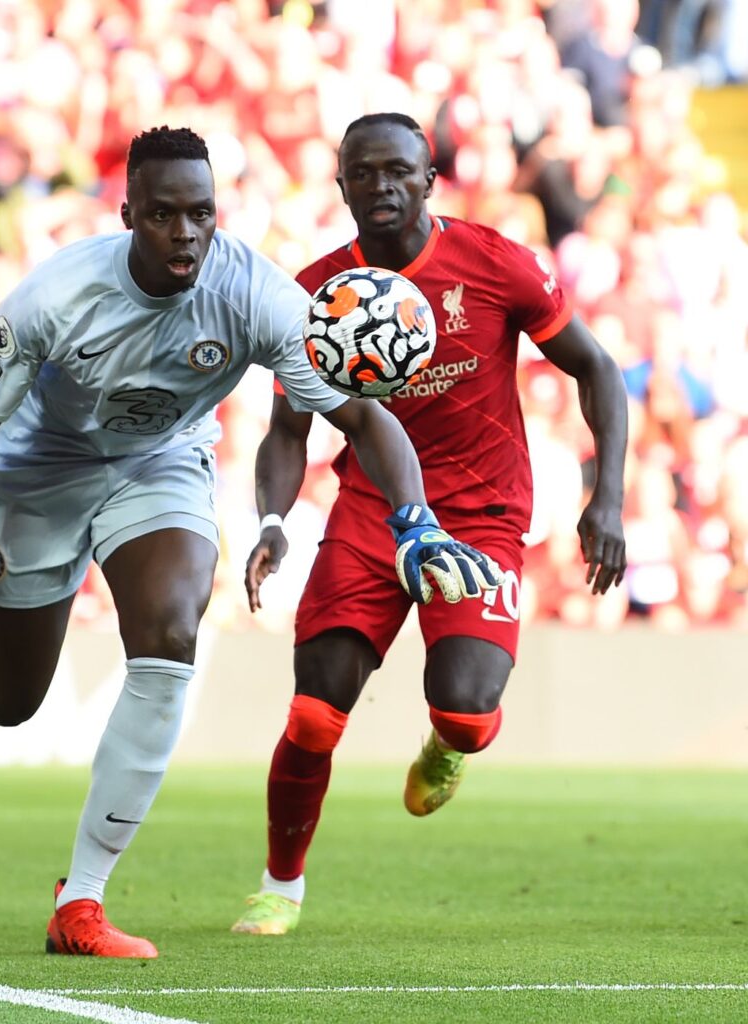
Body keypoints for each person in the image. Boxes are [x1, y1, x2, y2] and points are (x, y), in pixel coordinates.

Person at [0, 126, 503, 959]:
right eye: (165, 215)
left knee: (173, 632)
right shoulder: (56, 295)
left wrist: (415, 522)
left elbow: (361, 415)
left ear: (218, 215)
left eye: (201, 214)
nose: (185, 233)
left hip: (159, 465)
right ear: (129, 211)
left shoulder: (254, 292)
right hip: (37, 479)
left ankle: (84, 900)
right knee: (8, 702)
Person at [231, 112, 628, 937]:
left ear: (428, 180)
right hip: (371, 514)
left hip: (481, 516)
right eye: (363, 173)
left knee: (469, 714)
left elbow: (595, 367)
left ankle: (447, 748)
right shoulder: (314, 295)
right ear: (341, 185)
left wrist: (610, 494)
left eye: (398, 171)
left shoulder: (495, 265)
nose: (381, 186)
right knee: (313, 713)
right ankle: (280, 886)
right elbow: (286, 431)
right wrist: (272, 517)